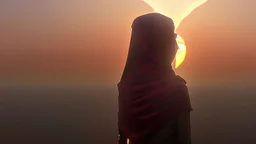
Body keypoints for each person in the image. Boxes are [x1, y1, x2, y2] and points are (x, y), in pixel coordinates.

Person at [117, 13, 192, 144]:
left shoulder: (126, 89)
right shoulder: (176, 90)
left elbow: (122, 139)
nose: (177, 45)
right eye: (172, 37)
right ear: (161, 44)